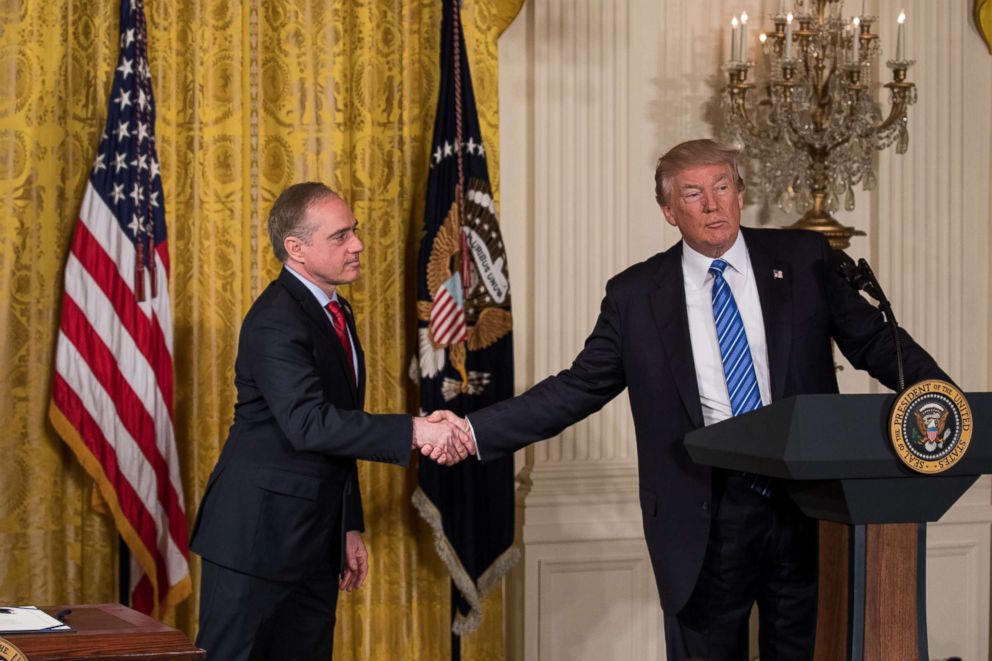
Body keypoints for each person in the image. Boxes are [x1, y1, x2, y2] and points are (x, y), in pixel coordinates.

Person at [433, 139, 950, 660]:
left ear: (740, 194)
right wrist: (472, 431)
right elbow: (576, 388)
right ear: (668, 211)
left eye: (722, 187)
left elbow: (878, 343)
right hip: (704, 514)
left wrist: (946, 404)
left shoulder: (804, 260)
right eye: (693, 193)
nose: (712, 204)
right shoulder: (635, 295)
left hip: (806, 507)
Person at [189, 182, 474, 661]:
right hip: (256, 541)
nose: (358, 244)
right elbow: (311, 424)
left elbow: (338, 430)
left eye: (354, 231)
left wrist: (348, 526)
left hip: (315, 538)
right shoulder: (276, 319)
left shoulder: (334, 310)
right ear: (296, 249)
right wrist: (417, 430)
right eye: (340, 236)